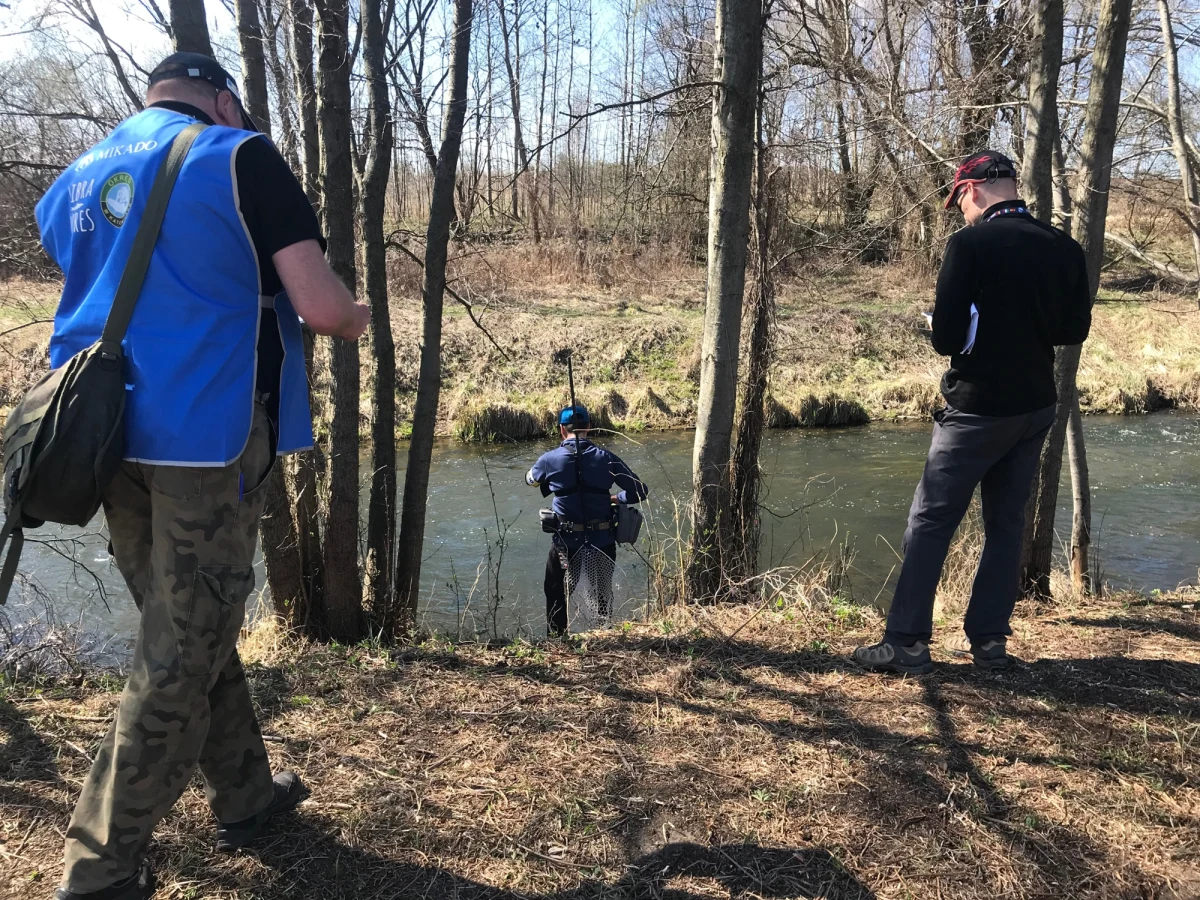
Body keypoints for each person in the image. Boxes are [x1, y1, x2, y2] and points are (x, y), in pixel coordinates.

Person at [34, 53, 370, 900]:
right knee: (181, 649)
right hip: (204, 440)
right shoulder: (239, 153)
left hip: (101, 441)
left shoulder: (74, 178)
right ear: (222, 99)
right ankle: (98, 868)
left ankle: (247, 794)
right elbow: (324, 310)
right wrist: (356, 312)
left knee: (185, 623)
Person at [853, 150, 1092, 675]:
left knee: (931, 519)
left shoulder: (970, 244)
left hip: (977, 408)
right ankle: (989, 643)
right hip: (1035, 406)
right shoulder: (1065, 248)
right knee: (1006, 524)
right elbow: (1072, 332)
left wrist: (959, 324)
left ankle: (907, 642)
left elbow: (944, 339)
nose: (959, 211)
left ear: (974, 190)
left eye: (958, 199)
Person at [526, 405, 648, 637]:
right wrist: (616, 497)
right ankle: (604, 634)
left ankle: (558, 639)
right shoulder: (608, 459)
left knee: (556, 591)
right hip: (601, 540)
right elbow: (640, 491)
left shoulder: (549, 459)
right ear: (589, 428)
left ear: (562, 430)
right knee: (601, 590)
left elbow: (530, 481)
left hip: (565, 543)